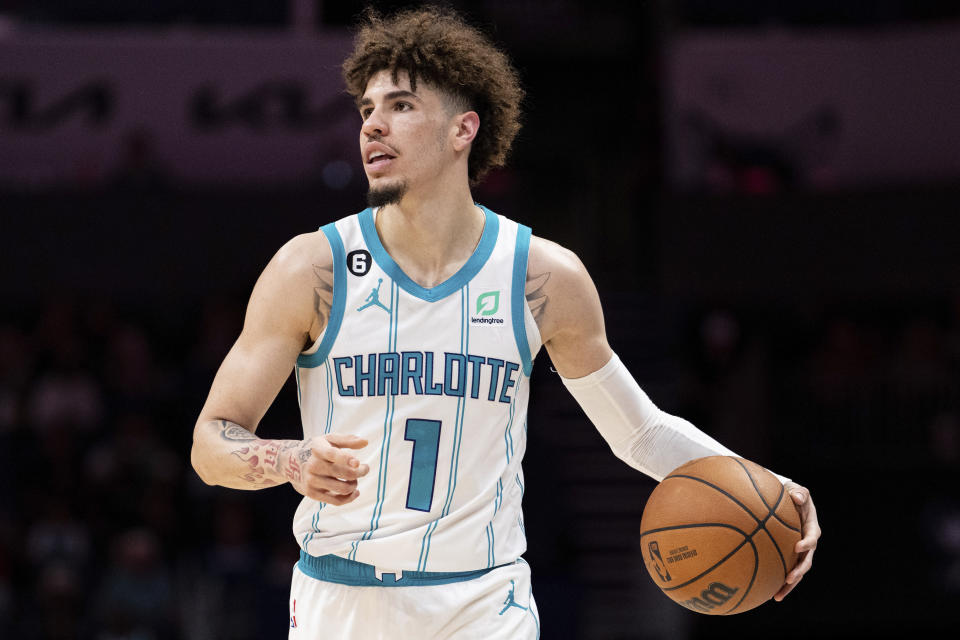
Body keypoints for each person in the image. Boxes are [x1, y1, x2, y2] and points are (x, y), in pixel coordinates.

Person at [190, 7, 821, 638]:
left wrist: (769, 487)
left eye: (401, 105)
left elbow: (641, 435)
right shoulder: (312, 267)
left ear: (464, 128)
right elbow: (211, 443)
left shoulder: (544, 277)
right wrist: (291, 459)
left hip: (484, 605)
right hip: (342, 602)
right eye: (365, 109)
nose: (373, 125)